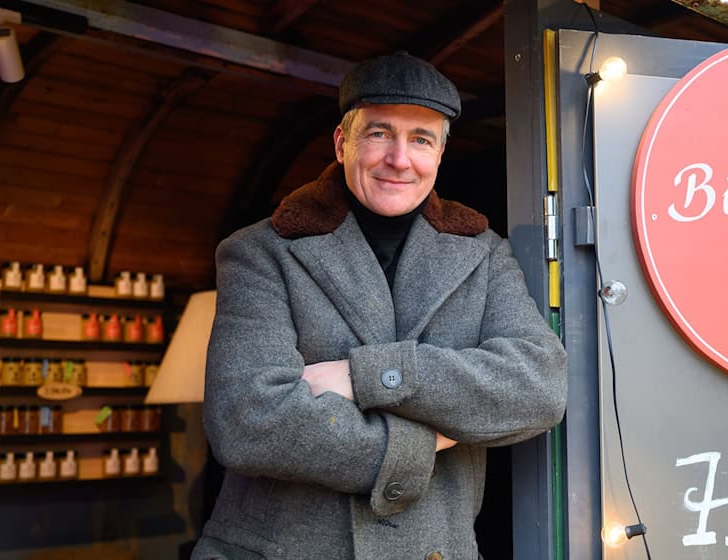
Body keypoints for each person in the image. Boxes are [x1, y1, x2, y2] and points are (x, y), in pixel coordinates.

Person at [192, 51, 568, 559]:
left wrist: (367, 374)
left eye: (421, 139)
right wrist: (426, 441)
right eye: (378, 133)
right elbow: (247, 420)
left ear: (439, 154)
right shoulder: (262, 251)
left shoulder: (483, 252)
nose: (399, 158)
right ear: (342, 142)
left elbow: (539, 387)